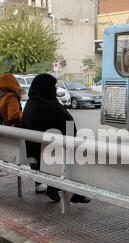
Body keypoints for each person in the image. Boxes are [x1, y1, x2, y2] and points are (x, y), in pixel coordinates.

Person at [21, 74, 90, 204]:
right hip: (47, 154)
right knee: (78, 156)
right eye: (54, 85)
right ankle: (76, 192)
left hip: (36, 151)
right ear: (46, 87)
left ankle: (54, 188)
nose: (56, 88)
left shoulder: (32, 103)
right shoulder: (48, 105)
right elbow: (68, 124)